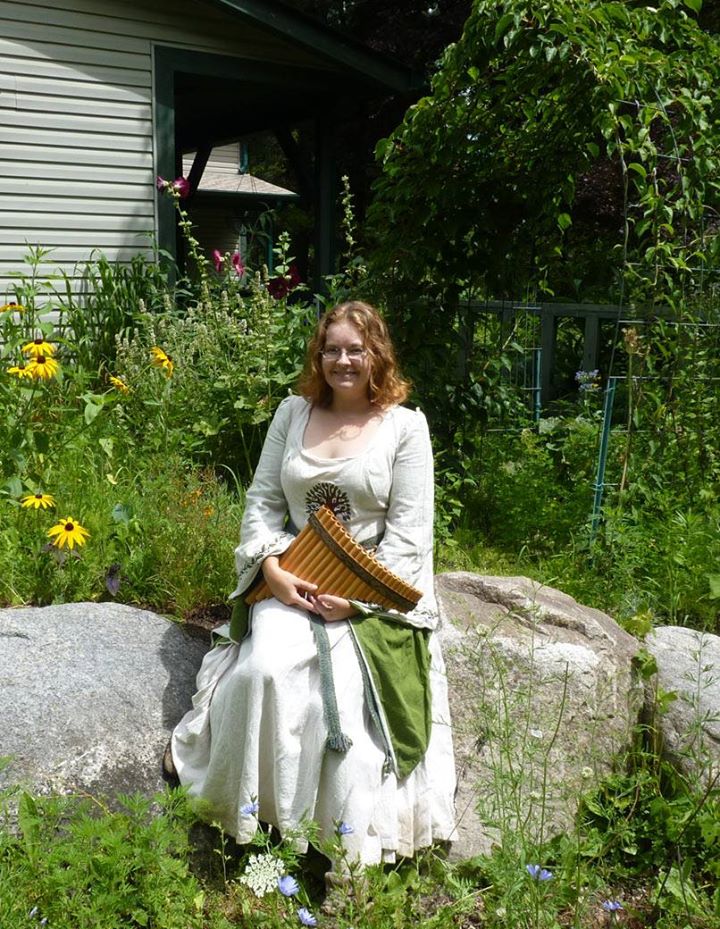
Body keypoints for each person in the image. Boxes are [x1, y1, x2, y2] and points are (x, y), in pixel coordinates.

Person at [170, 300, 455, 869]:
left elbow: (410, 537)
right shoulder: (291, 414)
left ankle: (337, 845)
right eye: (332, 349)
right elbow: (263, 505)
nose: (342, 360)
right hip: (292, 575)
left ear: (377, 355)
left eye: (355, 349)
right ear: (318, 354)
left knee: (343, 704)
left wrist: (355, 599)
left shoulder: (405, 427)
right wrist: (271, 570)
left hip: (370, 593)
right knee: (262, 671)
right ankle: (255, 819)